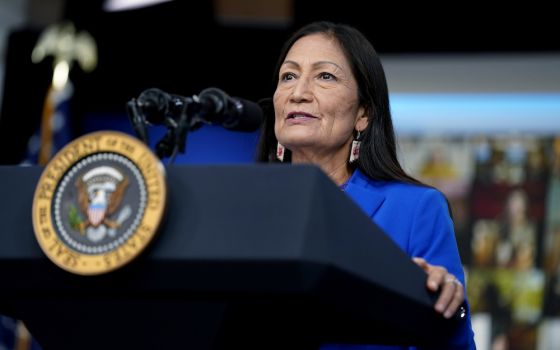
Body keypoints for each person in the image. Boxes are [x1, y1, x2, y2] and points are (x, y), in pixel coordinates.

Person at [256, 21, 476, 349]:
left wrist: (448, 308)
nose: (298, 92)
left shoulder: (416, 210)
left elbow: (456, 340)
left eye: (324, 76)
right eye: (288, 76)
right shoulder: (245, 207)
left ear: (363, 113)